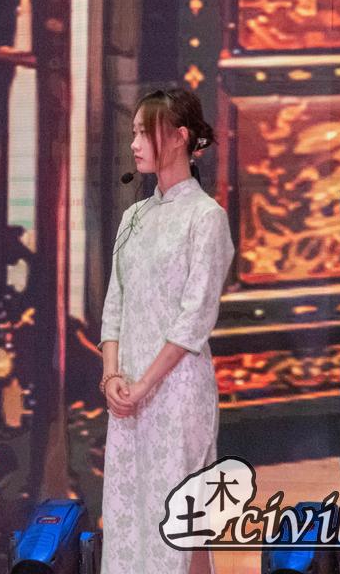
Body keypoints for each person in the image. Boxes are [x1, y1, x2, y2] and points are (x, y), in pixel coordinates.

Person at [98, 88, 234, 574]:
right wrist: (113, 377)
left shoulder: (206, 216)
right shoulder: (133, 217)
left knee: (181, 523)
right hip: (127, 395)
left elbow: (194, 319)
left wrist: (143, 386)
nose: (134, 143)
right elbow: (114, 304)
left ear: (179, 137)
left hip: (177, 393)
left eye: (145, 132)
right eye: (134, 132)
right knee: (128, 518)